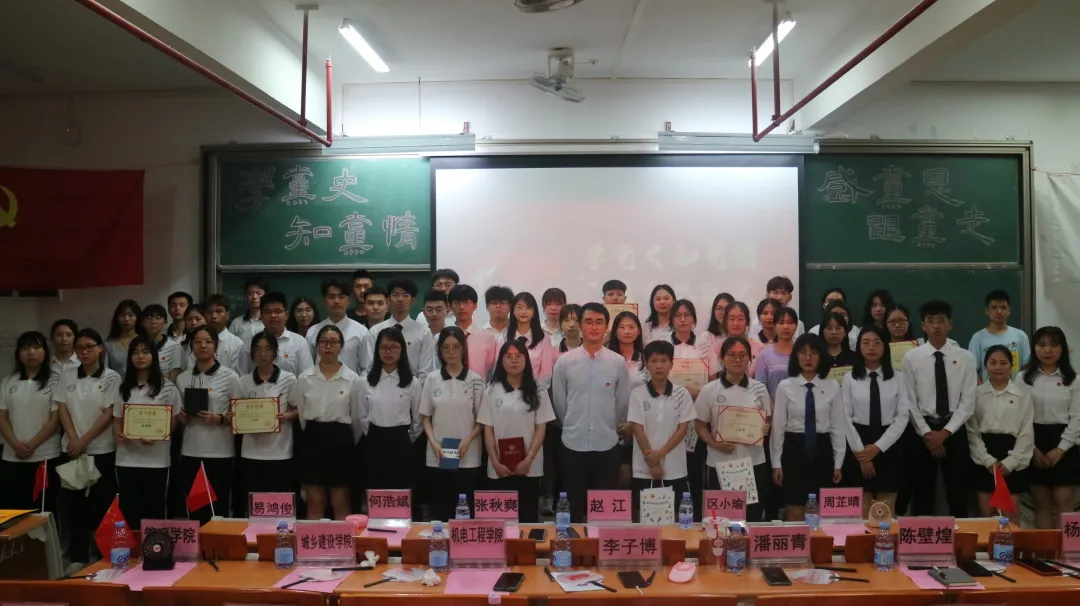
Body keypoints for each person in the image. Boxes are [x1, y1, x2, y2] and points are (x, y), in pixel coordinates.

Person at [552, 303, 631, 522]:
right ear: (580, 325)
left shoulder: (617, 362)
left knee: (604, 512)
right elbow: (559, 403)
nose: (594, 327)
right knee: (574, 511)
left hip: (607, 444)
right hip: (572, 444)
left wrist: (610, 427)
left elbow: (622, 403)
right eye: (588, 322)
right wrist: (572, 423)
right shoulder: (564, 362)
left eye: (599, 322)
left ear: (607, 326)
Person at [902, 300, 977, 518]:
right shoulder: (911, 357)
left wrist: (944, 434)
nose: (936, 326)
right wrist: (928, 434)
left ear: (950, 325)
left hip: (954, 430)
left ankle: (961, 537)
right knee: (922, 492)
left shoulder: (965, 358)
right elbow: (909, 401)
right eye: (931, 321)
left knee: (958, 492)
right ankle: (923, 538)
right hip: (922, 431)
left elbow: (968, 402)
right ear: (923, 326)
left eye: (941, 321)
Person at [56, 328, 121, 564]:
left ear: (100, 348)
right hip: (72, 451)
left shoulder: (112, 377)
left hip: (101, 450)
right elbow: (62, 408)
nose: (84, 352)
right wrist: (74, 439)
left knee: (102, 505)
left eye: (89, 347)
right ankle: (78, 557)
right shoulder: (67, 375)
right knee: (74, 506)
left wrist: (84, 441)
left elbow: (109, 412)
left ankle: (104, 557)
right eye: (80, 348)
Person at [478, 339, 555, 523]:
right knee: (500, 520)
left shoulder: (539, 391)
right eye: (508, 356)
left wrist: (528, 459)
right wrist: (495, 462)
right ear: (501, 361)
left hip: (529, 466)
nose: (514, 360)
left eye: (519, 356)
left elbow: (541, 428)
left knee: (527, 517)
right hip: (499, 467)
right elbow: (488, 429)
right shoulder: (491, 391)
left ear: (526, 360)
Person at [696, 336, 773, 521]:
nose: (737, 360)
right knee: (719, 519)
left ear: (750, 359)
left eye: (743, 355)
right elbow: (700, 426)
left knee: (751, 517)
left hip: (753, 463)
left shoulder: (759, 389)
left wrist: (765, 428)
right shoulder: (709, 390)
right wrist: (715, 444)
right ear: (722, 359)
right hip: (719, 462)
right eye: (731, 355)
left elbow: (768, 419)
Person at [771, 334, 845, 521]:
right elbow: (778, 428)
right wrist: (776, 463)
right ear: (796, 356)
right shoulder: (785, 386)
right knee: (795, 510)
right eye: (803, 352)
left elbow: (837, 427)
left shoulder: (832, 386)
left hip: (822, 449)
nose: (808, 357)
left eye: (813, 352)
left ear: (822, 356)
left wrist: (838, 462)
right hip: (794, 449)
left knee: (819, 512)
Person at [294, 325, 363, 520]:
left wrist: (346, 440)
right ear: (317, 346)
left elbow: (357, 418)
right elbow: (302, 416)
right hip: (313, 439)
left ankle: (342, 539)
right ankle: (312, 539)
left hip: (341, 441)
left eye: (334, 342)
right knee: (315, 502)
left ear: (341, 347)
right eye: (324, 342)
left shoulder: (353, 379)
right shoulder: (304, 378)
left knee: (340, 502)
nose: (329, 346)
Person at [841, 326, 910, 518]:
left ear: (885, 347)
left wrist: (878, 447)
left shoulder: (898, 377)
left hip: (889, 443)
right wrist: (863, 456)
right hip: (858, 442)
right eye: (866, 343)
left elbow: (903, 416)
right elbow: (845, 417)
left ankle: (885, 540)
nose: (871, 347)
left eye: (877, 342)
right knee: (863, 511)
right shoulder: (849, 378)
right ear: (859, 347)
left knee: (885, 510)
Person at [114, 335, 181, 528]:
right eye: (135, 352)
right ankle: (132, 548)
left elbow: (174, 421)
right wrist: (118, 435)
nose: (140, 356)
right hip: (127, 459)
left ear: (154, 356)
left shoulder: (168, 388)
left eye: (145, 352)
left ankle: (154, 547)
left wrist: (157, 436)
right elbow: (116, 419)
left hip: (157, 460)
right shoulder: (123, 388)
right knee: (129, 512)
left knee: (155, 512)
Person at [177, 326, 243, 524]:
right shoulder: (182, 378)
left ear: (216, 346)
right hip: (191, 450)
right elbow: (178, 414)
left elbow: (240, 417)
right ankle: (197, 543)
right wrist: (182, 418)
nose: (203, 346)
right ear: (191, 346)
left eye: (208, 341)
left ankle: (218, 543)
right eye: (198, 342)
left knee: (219, 508)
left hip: (220, 451)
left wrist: (219, 419)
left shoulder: (231, 377)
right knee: (196, 507)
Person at [420, 327, 484, 522]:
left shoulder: (475, 380)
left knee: (465, 511)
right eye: (446, 347)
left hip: (468, 454)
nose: (451, 352)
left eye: (456, 347)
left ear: (464, 349)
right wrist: (433, 443)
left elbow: (482, 420)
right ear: (439, 350)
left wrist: (468, 440)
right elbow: (425, 417)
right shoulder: (432, 379)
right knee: (441, 510)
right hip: (438, 454)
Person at [628, 340, 696, 522]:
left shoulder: (682, 394)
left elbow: (682, 429)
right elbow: (637, 428)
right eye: (654, 361)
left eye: (664, 361)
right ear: (646, 364)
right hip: (643, 467)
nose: (659, 366)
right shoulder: (637, 394)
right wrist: (652, 463)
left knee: (676, 516)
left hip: (675, 468)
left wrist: (661, 454)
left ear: (672, 364)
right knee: (643, 516)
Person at [967, 345, 1033, 524]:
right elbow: (972, 431)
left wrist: (1012, 461)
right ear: (985, 365)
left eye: (1003, 363)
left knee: (1010, 513)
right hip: (983, 455)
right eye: (993, 363)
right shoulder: (976, 394)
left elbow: (1026, 432)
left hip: (1012, 454)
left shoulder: (1022, 395)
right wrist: (986, 460)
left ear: (1011, 365)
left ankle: (1011, 544)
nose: (998, 367)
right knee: (986, 512)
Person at [1023, 327, 1080, 529]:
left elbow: (1077, 419)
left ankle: (1071, 549)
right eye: (1041, 345)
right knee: (1042, 502)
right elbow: (1019, 418)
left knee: (1064, 500)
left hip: (1066, 443)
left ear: (1062, 349)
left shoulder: (1074, 380)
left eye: (1054, 345)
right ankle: (1044, 549)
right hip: (1032, 440)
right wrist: (1032, 450)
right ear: (1034, 348)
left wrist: (1060, 450)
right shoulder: (1022, 378)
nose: (1047, 350)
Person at [237, 332, 298, 515]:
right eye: (258, 349)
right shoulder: (243, 382)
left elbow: (298, 410)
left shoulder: (289, 379)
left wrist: (287, 416)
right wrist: (237, 417)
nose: (263, 354)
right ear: (252, 354)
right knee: (254, 506)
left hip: (280, 452)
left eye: (268, 349)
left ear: (275, 352)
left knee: (278, 505)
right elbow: (236, 413)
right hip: (251, 452)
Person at [0, 332, 60, 511]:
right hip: (12, 455)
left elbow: (55, 419)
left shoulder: (55, 380)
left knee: (43, 509)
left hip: (45, 454)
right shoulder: (8, 381)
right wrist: (15, 445)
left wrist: (32, 445)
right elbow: (2, 417)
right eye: (25, 348)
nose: (31, 352)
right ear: (18, 352)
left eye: (36, 347)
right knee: (14, 509)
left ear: (45, 352)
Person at [358, 327, 423, 494]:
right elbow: (362, 415)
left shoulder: (413, 383)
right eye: (384, 347)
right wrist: (373, 434)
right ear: (377, 350)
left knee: (401, 490)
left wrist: (405, 438)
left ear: (402, 350)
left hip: (401, 441)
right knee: (376, 489)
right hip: (374, 440)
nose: (388, 352)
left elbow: (418, 420)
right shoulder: (365, 382)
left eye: (394, 347)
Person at [361, 277, 435, 382]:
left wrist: (415, 389)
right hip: (380, 386)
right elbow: (369, 367)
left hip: (412, 387)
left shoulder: (424, 332)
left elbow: (425, 371)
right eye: (395, 294)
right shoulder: (375, 331)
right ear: (388, 300)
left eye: (405, 295)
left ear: (412, 300)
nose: (400, 299)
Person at [238, 292, 313, 377]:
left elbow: (306, 377)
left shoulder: (299, 342)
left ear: (286, 315)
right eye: (268, 312)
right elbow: (242, 376)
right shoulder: (249, 344)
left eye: (278, 311)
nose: (273, 315)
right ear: (261, 316)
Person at [306, 279, 369, 374]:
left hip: (351, 383)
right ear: (324, 301)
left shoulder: (362, 332)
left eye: (341, 297)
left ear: (349, 301)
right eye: (331, 297)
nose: (336, 301)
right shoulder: (312, 332)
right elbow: (308, 368)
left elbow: (366, 368)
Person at [968, 290, 1030, 381]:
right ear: (987, 311)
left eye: (1003, 308)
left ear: (1009, 311)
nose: (999, 311)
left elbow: (1026, 366)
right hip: (987, 388)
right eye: (994, 307)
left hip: (1015, 388)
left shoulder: (1020, 336)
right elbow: (971, 370)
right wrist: (982, 388)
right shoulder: (977, 338)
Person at [506, 292, 556, 388]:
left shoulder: (544, 339)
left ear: (534, 312)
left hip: (535, 392)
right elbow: (499, 368)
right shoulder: (503, 338)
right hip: (508, 391)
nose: (524, 312)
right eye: (519, 308)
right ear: (513, 311)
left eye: (528, 308)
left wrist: (533, 391)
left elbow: (546, 373)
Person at [449, 285, 499, 380]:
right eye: (457, 303)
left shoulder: (488, 338)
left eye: (466, 302)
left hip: (479, 387)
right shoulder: (442, 337)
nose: (462, 307)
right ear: (451, 306)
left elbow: (491, 371)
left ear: (475, 305)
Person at [754, 306, 799, 399]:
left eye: (790, 323)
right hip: (772, 406)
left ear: (796, 326)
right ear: (774, 326)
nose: (785, 327)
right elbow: (760, 388)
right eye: (781, 323)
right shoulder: (764, 355)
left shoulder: (801, 353)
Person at [720, 302, 765, 377]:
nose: (736, 323)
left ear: (747, 322)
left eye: (740, 319)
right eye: (731, 319)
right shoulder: (716, 348)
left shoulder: (760, 348)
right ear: (725, 322)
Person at [203, 294, 245, 373]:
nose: (214, 316)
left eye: (219, 311)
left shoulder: (237, 344)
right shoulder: (197, 341)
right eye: (209, 312)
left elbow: (236, 375)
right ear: (204, 316)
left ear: (227, 315)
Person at [105, 299, 145, 377]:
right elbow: (106, 372)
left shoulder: (145, 341)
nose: (126, 319)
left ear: (137, 317)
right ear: (117, 318)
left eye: (130, 315)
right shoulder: (108, 344)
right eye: (122, 315)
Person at [141, 304, 182, 381]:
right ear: (142, 322)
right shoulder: (137, 346)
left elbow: (173, 379)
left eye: (158, 318)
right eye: (149, 317)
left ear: (165, 322)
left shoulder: (175, 347)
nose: (153, 321)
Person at [229, 276, 267, 342]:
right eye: (250, 293)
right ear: (245, 296)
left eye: (258, 293)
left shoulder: (270, 322)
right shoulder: (236, 323)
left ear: (266, 295)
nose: (254, 297)